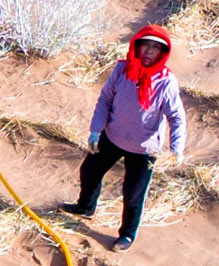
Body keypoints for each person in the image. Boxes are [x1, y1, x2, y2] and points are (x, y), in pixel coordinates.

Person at [68, 22, 184, 247]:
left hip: (144, 148)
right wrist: (95, 130)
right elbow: (105, 100)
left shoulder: (166, 82)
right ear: (136, 46)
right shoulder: (121, 70)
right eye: (146, 45)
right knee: (89, 171)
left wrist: (176, 147)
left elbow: (177, 117)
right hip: (112, 137)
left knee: (133, 193)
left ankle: (127, 234)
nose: (149, 51)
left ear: (163, 53)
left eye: (155, 47)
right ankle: (85, 207)